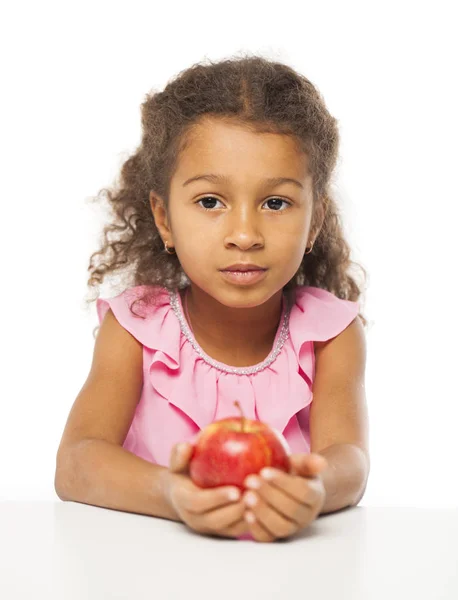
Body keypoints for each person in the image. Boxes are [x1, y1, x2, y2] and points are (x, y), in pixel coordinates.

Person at [55, 54, 370, 543]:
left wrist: (315, 488)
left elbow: (349, 458)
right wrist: (172, 494)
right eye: (210, 202)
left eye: (276, 203)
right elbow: (75, 464)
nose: (244, 234)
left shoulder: (329, 333)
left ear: (316, 220)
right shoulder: (137, 328)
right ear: (164, 219)